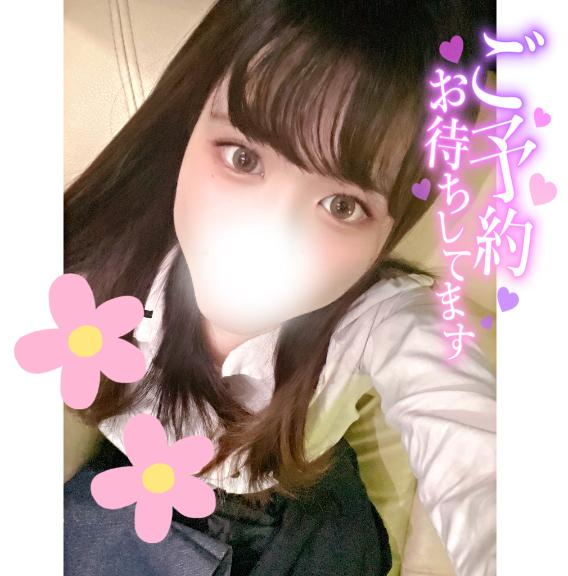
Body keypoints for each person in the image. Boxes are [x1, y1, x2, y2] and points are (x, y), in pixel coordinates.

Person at [64, 1, 496, 575]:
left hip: (294, 508)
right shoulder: (112, 256)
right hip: (128, 485)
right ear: (188, 123)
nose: (270, 232)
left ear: (392, 229)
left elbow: (476, 453)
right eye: (243, 157)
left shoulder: (378, 320)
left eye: (342, 206)